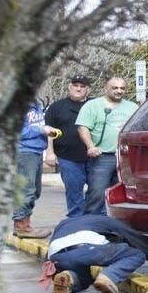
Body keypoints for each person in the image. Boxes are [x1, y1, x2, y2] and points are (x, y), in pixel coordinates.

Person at [45, 214, 148, 293]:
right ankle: (108, 277)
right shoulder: (107, 220)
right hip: (86, 248)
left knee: (86, 276)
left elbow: (49, 252)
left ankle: (69, 278)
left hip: (57, 256)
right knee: (136, 254)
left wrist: (54, 269)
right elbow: (137, 239)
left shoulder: (65, 223)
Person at [75, 77, 139, 216]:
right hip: (102, 156)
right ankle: (89, 223)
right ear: (105, 88)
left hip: (126, 158)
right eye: (115, 88)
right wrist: (90, 146)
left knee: (124, 194)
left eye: (122, 88)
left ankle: (116, 224)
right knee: (97, 193)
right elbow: (82, 127)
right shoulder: (92, 105)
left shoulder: (132, 107)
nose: (119, 91)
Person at [45, 74, 92, 217]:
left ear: (88, 89)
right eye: (75, 86)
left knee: (97, 190)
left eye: (82, 86)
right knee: (73, 190)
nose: (78, 89)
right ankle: (76, 220)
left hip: (94, 156)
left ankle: (94, 220)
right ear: (69, 87)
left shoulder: (94, 105)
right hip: (67, 157)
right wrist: (50, 152)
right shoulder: (56, 107)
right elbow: (49, 131)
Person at [13, 101, 61, 238]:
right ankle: (21, 226)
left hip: (36, 151)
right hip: (24, 152)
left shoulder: (36, 105)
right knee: (26, 190)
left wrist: (47, 130)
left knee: (34, 191)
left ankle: (25, 223)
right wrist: (41, 130)